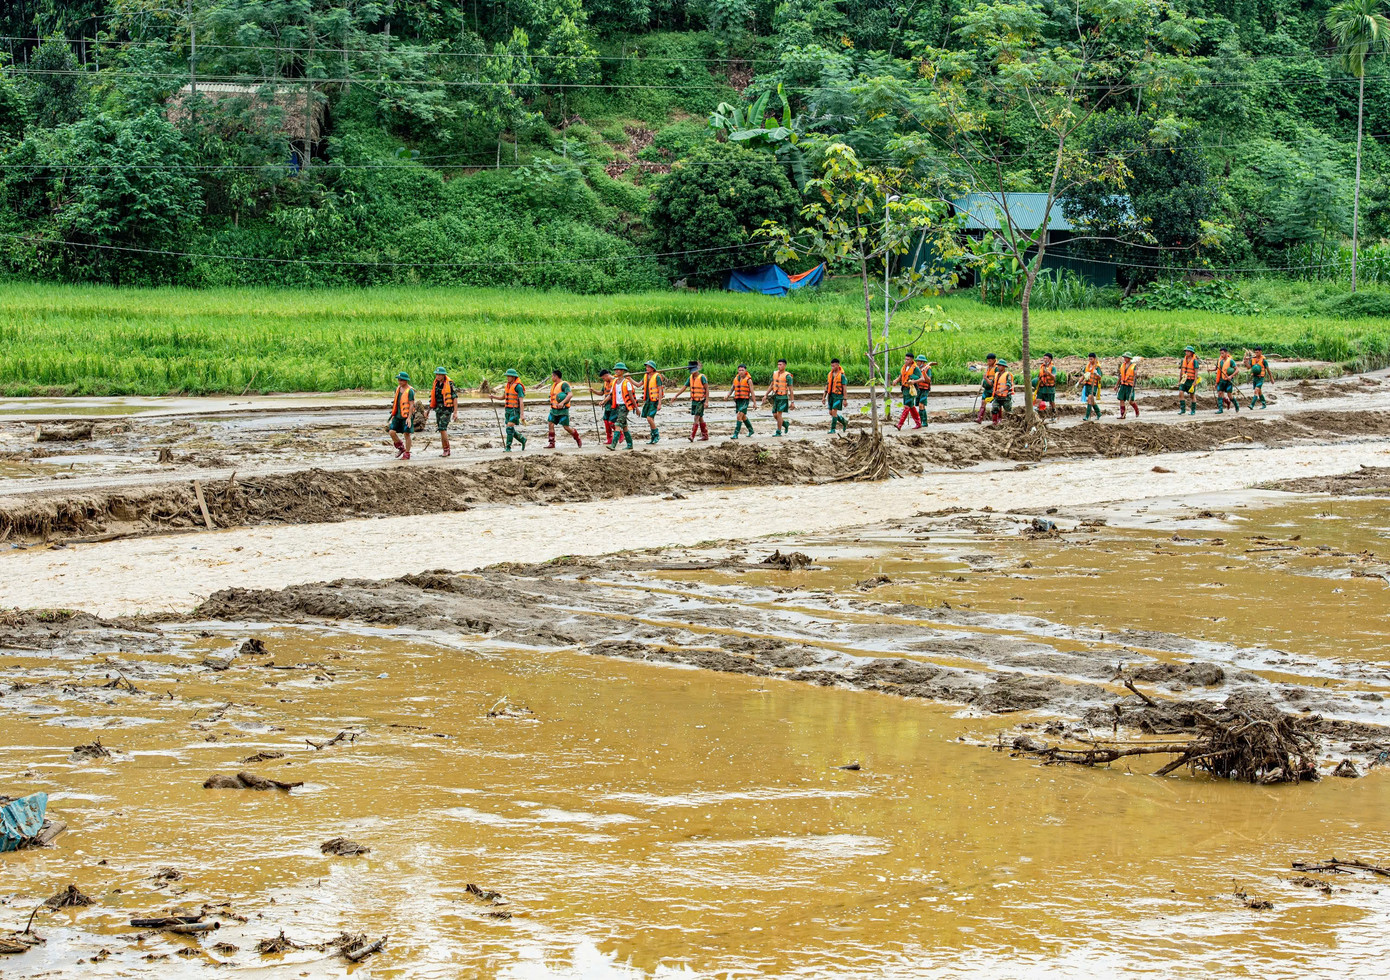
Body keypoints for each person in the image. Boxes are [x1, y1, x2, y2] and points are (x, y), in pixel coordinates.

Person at [670, 360, 711, 442]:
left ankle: (692, 436)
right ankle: (705, 435)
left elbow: (707, 389)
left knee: (696, 417)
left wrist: (706, 401)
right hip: (694, 400)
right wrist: (676, 396)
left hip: (701, 400)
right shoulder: (690, 378)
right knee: (700, 417)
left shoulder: (702, 377)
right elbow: (684, 387)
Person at [489, 368, 527, 451]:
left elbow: (521, 402)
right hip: (508, 410)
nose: (507, 378)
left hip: (515, 410)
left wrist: (522, 414)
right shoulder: (508, 385)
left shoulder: (518, 387)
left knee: (509, 427)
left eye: (509, 376)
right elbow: (503, 397)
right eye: (507, 376)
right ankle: (522, 439)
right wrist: (493, 397)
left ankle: (508, 447)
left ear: (513, 377)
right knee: (509, 428)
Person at [546, 369, 582, 449]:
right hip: (554, 409)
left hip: (563, 409)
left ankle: (577, 437)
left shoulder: (564, 384)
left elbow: (570, 394)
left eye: (552, 376)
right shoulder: (554, 385)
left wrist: (562, 403)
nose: (552, 378)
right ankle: (551, 443)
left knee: (566, 427)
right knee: (550, 423)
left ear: (556, 376)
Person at [606, 362, 639, 450]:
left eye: (618, 370)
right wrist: (603, 401)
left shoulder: (626, 382)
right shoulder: (614, 382)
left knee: (617, 424)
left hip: (624, 406)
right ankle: (630, 445)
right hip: (617, 406)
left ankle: (613, 445)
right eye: (616, 370)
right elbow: (611, 395)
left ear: (622, 371)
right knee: (624, 426)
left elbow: (631, 396)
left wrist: (636, 408)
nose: (617, 371)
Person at [429, 367, 459, 457]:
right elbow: (433, 399)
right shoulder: (436, 384)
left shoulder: (450, 384)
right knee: (440, 429)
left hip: (446, 410)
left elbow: (455, 397)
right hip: (438, 409)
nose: (438, 376)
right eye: (437, 374)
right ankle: (445, 449)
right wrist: (428, 411)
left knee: (442, 428)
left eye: (440, 374)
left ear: (443, 375)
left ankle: (446, 449)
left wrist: (455, 412)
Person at [388, 371, 415, 460]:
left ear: (406, 381)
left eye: (402, 380)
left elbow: (411, 404)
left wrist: (409, 418)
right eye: (399, 380)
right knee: (391, 432)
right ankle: (400, 447)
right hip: (398, 415)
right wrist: (393, 414)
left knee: (407, 434)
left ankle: (407, 453)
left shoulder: (410, 391)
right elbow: (396, 402)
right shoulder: (398, 389)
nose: (400, 381)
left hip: (406, 416)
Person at [766, 359, 795, 436]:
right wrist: (766, 395)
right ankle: (785, 424)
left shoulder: (788, 376)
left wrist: (792, 402)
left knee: (779, 414)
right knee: (774, 414)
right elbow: (772, 385)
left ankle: (778, 432)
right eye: (778, 364)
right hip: (776, 397)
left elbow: (791, 390)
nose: (779, 366)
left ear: (784, 365)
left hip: (783, 397)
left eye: (780, 365)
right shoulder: (775, 374)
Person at [640, 360, 665, 444]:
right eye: (646, 367)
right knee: (651, 419)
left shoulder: (657, 377)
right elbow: (638, 385)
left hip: (654, 401)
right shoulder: (646, 376)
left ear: (653, 368)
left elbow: (660, 390)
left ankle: (656, 435)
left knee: (649, 418)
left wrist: (659, 403)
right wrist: (629, 378)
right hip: (648, 400)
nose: (647, 368)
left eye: (649, 367)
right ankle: (653, 438)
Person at [728, 364, 755, 439]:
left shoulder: (749, 380)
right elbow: (732, 388)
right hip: (738, 400)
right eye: (739, 370)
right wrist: (728, 395)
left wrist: (755, 403)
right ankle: (751, 430)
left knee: (739, 416)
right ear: (738, 371)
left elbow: (752, 392)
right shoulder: (736, 378)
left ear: (745, 370)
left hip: (744, 400)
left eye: (742, 370)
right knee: (743, 416)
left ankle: (736, 434)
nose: (741, 372)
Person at [896, 353, 921, 430]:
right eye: (905, 359)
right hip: (905, 389)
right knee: (911, 407)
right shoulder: (904, 367)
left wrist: (914, 381)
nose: (906, 361)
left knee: (906, 406)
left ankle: (899, 425)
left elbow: (922, 378)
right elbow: (901, 376)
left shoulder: (915, 368)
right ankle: (918, 423)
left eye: (908, 359)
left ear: (912, 360)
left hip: (912, 390)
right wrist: (896, 380)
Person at [822, 358, 848, 434]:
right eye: (831, 366)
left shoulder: (842, 376)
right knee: (831, 412)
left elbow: (844, 388)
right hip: (831, 396)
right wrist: (824, 397)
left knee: (834, 411)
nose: (832, 367)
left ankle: (833, 429)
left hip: (838, 396)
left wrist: (845, 399)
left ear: (837, 365)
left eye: (834, 366)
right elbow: (827, 386)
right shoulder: (830, 374)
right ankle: (844, 421)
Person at [989, 359, 1014, 426]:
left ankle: (1012, 423)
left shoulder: (1007, 375)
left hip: (1006, 397)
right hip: (997, 396)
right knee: (994, 408)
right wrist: (986, 378)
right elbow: (992, 383)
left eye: (1000, 366)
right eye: (998, 365)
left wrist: (1000, 390)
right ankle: (994, 422)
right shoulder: (996, 374)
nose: (998, 367)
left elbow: (1008, 386)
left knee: (1008, 410)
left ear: (1004, 367)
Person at [1215, 346, 1239, 414]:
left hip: (1228, 381)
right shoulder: (1220, 362)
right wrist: (1217, 382)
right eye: (1220, 353)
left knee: (1229, 395)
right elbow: (1219, 372)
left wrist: (1231, 376)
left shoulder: (1231, 361)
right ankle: (1220, 409)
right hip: (1222, 380)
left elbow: (1237, 370)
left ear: (1226, 353)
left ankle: (1236, 405)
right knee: (1220, 393)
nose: (1221, 355)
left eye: (1222, 353)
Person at [1177, 346, 1200, 415]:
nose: (1186, 352)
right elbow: (1181, 371)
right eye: (1186, 351)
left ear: (1191, 352)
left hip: (1191, 380)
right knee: (1181, 393)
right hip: (1184, 380)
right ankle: (1182, 410)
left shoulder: (1195, 361)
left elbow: (1196, 372)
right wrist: (1179, 380)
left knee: (1192, 395)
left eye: (1188, 351)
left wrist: (1195, 381)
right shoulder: (1183, 360)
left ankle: (1193, 410)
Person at [976, 354, 998, 423]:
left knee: (996, 405)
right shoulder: (988, 368)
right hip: (987, 389)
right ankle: (979, 418)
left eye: (990, 361)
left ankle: (996, 420)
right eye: (988, 361)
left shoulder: (996, 368)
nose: (988, 362)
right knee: (983, 402)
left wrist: (986, 378)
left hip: (993, 389)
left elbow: (993, 383)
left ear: (994, 360)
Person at [913, 354, 935, 426]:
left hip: (925, 389)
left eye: (918, 361)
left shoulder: (928, 368)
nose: (917, 362)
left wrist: (924, 373)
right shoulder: (917, 368)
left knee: (921, 404)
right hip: (918, 389)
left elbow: (929, 380)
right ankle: (923, 422)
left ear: (922, 362)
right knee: (921, 406)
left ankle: (921, 422)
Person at [1116, 353, 1139, 420]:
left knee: (1130, 401)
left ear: (1129, 358)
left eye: (1126, 357)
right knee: (1121, 399)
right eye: (1124, 357)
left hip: (1129, 385)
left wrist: (1135, 373)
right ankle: (1122, 415)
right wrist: (1116, 385)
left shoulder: (1134, 366)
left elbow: (1135, 375)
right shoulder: (1122, 365)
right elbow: (1120, 376)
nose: (1125, 359)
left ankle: (1136, 410)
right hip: (1123, 385)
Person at [597, 368, 616, 446]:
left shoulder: (615, 381)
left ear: (606, 375)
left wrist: (603, 401)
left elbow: (611, 395)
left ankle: (620, 433)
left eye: (603, 378)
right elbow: (602, 393)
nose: (603, 380)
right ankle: (609, 438)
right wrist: (593, 391)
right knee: (605, 420)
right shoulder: (605, 383)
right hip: (607, 405)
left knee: (611, 421)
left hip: (614, 404)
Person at [1081, 353, 1103, 421]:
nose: (1090, 360)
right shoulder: (1087, 366)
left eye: (1091, 359)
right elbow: (1084, 375)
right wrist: (1078, 382)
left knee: (1089, 399)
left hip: (1093, 385)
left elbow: (1100, 377)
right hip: (1087, 385)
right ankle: (1098, 413)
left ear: (1094, 359)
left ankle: (1087, 416)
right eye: (1089, 359)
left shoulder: (1097, 367)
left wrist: (1097, 374)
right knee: (1092, 400)